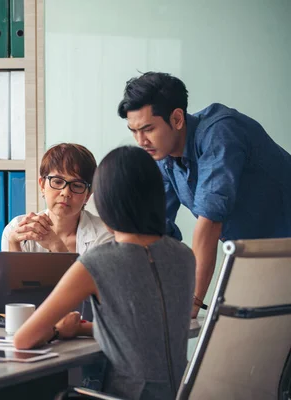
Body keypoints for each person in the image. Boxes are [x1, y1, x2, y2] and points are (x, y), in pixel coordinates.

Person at [14, 146, 195, 399]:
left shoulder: (97, 261)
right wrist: (79, 329)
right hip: (182, 392)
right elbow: (145, 327)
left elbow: (23, 340)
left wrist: (56, 331)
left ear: (103, 200)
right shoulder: (184, 256)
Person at [117, 71, 291, 317]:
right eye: (134, 131)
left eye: (148, 129)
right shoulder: (162, 158)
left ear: (177, 119)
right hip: (260, 257)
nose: (140, 141)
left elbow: (209, 225)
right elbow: (154, 231)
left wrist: (191, 304)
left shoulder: (221, 132)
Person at [1, 143, 113, 321]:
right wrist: (13, 244)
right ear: (42, 185)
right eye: (58, 182)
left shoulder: (105, 236)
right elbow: (14, 299)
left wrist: (57, 246)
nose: (65, 192)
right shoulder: (18, 228)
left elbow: (93, 304)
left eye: (77, 185)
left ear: (88, 195)